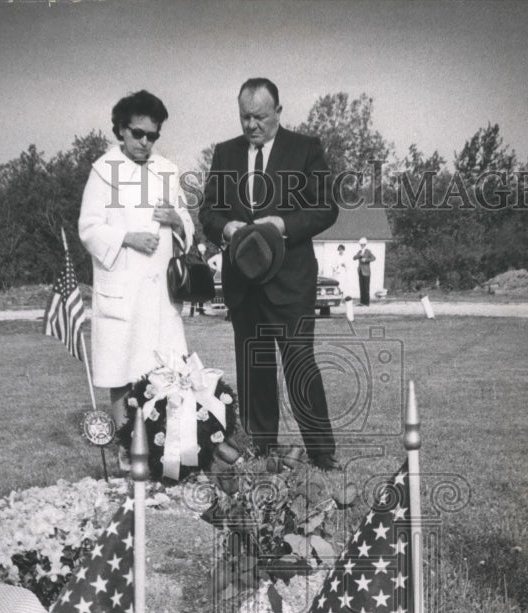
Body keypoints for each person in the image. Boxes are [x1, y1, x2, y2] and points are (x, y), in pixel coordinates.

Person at [199, 77, 339, 469]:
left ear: (278, 111)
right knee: (253, 365)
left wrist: (284, 224)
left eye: (259, 117)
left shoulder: (305, 149)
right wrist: (224, 228)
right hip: (243, 284)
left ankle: (322, 453)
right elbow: (208, 211)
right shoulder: (225, 153)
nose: (251, 125)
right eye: (244, 117)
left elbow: (326, 208)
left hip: (291, 283)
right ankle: (262, 449)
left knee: (299, 363)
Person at [78, 90, 194, 469]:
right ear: (120, 131)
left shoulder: (168, 170)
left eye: (153, 135)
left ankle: (170, 450)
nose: (146, 142)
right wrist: (127, 238)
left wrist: (176, 221)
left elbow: (187, 225)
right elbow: (89, 228)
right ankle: (129, 451)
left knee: (169, 369)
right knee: (122, 369)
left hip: (161, 293)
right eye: (138, 133)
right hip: (122, 289)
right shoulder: (102, 170)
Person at [353, 237, 376, 306]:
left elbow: (373, 258)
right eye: (361, 244)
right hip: (360, 271)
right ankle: (362, 302)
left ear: (365, 244)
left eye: (363, 244)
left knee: (366, 287)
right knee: (361, 287)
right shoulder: (360, 252)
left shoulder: (368, 251)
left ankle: (366, 302)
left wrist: (366, 260)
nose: (361, 245)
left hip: (366, 271)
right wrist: (359, 255)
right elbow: (354, 258)